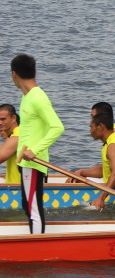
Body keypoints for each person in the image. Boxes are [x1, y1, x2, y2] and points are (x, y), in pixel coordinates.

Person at [11, 54, 64, 234]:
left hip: (34, 162)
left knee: (33, 209)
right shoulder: (27, 96)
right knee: (28, 207)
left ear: (14, 74)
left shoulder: (38, 98)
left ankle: (38, 248)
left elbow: (57, 127)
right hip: (25, 163)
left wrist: (35, 150)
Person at [67, 111, 115, 210]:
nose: (90, 131)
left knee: (73, 183)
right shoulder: (114, 140)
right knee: (76, 178)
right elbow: (107, 169)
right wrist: (81, 172)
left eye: (91, 127)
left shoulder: (113, 145)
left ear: (100, 126)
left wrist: (101, 198)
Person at [0, 103, 20, 185]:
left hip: (18, 189)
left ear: (13, 118)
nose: (0, 122)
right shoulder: (12, 135)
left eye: (3, 119)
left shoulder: (17, 135)